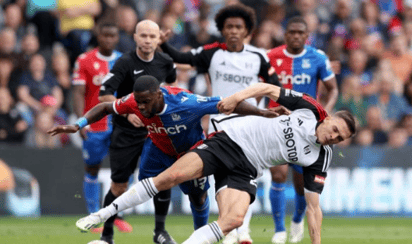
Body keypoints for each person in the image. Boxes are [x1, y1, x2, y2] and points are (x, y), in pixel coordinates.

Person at [72, 82, 356, 244]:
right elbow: (268, 88)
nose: (333, 138)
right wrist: (238, 97)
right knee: (170, 178)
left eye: (339, 138)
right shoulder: (309, 108)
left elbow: (314, 207)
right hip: (229, 140)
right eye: (334, 130)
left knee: (233, 221)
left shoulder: (321, 157)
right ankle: (103, 214)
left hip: (248, 168)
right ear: (328, 118)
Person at [48, 75, 283, 239]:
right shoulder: (134, 100)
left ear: (158, 95)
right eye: (137, 102)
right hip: (158, 150)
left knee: (199, 198)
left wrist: (261, 112)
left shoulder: (186, 103)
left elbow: (228, 104)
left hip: (191, 154)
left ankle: (199, 237)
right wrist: (78, 124)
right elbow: (106, 107)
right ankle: (138, 230)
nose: (139, 107)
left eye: (145, 102)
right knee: (147, 187)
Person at [97, 20, 178, 244]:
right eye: (143, 35)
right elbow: (104, 95)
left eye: (152, 36)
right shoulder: (124, 62)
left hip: (155, 132)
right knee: (119, 185)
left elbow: (172, 85)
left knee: (162, 180)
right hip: (126, 132)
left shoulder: (165, 62)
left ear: (158, 38)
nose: (147, 40)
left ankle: (159, 232)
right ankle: (107, 235)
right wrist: (126, 113)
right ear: (135, 37)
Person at [265, 16, 339, 244]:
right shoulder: (270, 56)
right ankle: (278, 230)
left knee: (300, 184)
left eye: (300, 33)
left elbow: (332, 89)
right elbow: (260, 88)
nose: (296, 36)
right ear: (285, 34)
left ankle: (297, 219)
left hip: (307, 128)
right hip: (277, 122)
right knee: (277, 174)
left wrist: (323, 116)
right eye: (292, 32)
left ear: (307, 37)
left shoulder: (317, 58)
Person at [160, 3, 280, 135]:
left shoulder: (258, 56)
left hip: (249, 125)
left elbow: (274, 85)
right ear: (222, 29)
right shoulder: (211, 53)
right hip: (219, 124)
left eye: (238, 27)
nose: (234, 31)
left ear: (246, 31)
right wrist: (164, 44)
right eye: (229, 26)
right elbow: (180, 57)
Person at [71, 22, 122, 233]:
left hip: (120, 123)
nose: (109, 39)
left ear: (117, 38)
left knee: (122, 170)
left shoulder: (123, 60)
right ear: (98, 36)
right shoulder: (85, 60)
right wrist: (81, 119)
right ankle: (93, 215)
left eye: (113, 35)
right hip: (95, 124)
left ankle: (116, 216)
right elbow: (77, 92)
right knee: (92, 168)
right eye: (105, 35)